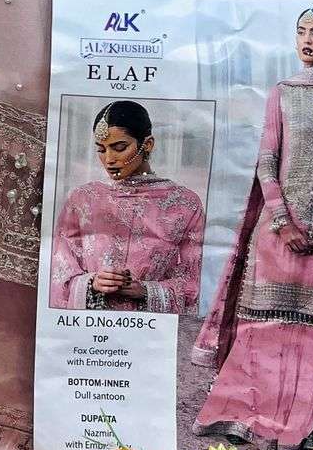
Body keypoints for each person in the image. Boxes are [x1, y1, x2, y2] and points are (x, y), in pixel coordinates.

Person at [192, 7, 313, 450]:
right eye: (301, 32)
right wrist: (281, 221)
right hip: (279, 235)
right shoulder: (282, 92)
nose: (308, 40)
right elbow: (267, 162)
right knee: (264, 328)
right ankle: (249, 418)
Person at [49, 100, 205, 313]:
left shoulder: (184, 204)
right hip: (90, 325)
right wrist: (91, 283)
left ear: (147, 144)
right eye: (101, 149)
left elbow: (193, 282)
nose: (109, 159)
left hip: (151, 327)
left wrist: (146, 291)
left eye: (119, 148)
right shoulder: (83, 199)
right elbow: (60, 272)